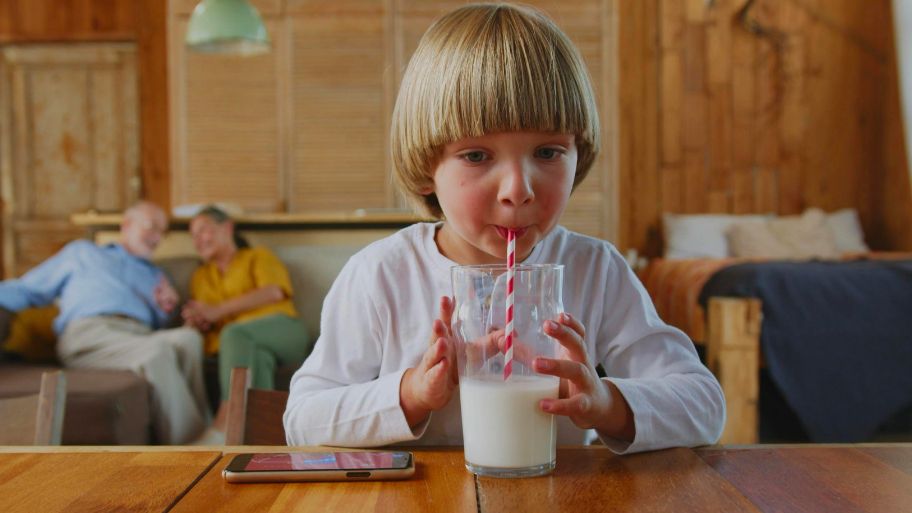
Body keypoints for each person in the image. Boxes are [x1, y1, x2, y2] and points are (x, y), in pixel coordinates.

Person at [283, 3, 725, 452]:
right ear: (424, 168)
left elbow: (705, 407)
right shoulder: (381, 273)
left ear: (580, 155)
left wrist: (606, 402)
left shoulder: (595, 269)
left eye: (549, 152)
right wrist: (413, 392)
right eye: (476, 156)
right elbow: (303, 420)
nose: (518, 189)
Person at [0, 202, 210, 445]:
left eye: (162, 232)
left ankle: (207, 428)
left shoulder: (155, 274)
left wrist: (165, 309)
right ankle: (195, 445)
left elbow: (159, 326)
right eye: (151, 227)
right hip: (90, 333)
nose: (157, 237)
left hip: (137, 334)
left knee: (189, 339)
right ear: (126, 225)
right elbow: (26, 289)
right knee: (156, 353)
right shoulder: (83, 253)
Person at [183, 205, 310, 429]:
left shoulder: (257, 256)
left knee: (233, 332)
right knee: (259, 359)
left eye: (203, 230)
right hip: (243, 344)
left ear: (227, 228)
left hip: (284, 330)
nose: (198, 240)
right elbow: (209, 319)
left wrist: (217, 310)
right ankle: (262, 434)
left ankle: (226, 417)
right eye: (193, 235)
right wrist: (199, 319)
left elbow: (273, 291)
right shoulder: (200, 276)